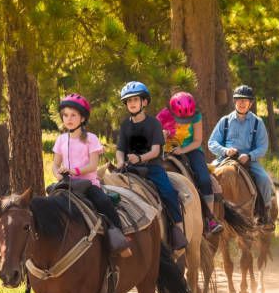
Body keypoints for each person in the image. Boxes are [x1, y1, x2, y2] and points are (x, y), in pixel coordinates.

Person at [52, 93, 131, 257]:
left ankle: (120, 240)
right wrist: (58, 175)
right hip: (66, 184)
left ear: (82, 118)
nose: (69, 119)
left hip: (88, 185)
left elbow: (93, 165)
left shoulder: (91, 138)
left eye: (73, 115)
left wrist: (75, 171)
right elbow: (55, 164)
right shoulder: (60, 140)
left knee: (104, 203)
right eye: (65, 115)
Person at [116, 81, 187, 250]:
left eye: (135, 100)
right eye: (129, 101)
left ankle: (178, 228)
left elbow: (156, 151)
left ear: (144, 102)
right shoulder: (125, 125)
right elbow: (120, 149)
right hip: (129, 169)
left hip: (152, 168)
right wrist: (120, 161)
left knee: (168, 192)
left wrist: (140, 159)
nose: (132, 103)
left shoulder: (154, 124)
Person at [208, 84, 275, 230]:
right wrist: (225, 150)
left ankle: (265, 214)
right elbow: (211, 142)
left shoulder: (258, 122)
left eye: (246, 100)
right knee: (207, 177)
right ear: (234, 101)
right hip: (224, 159)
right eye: (239, 100)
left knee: (264, 179)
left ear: (251, 103)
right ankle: (207, 215)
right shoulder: (225, 121)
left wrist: (250, 155)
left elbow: (263, 146)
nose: (242, 103)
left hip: (249, 161)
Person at [158, 92, 223, 235]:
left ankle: (209, 219)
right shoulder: (163, 116)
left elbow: (197, 141)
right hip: (167, 150)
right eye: (180, 118)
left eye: (187, 117)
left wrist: (182, 150)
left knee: (204, 180)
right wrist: (161, 135)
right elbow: (154, 137)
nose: (184, 120)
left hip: (191, 149)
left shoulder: (197, 116)